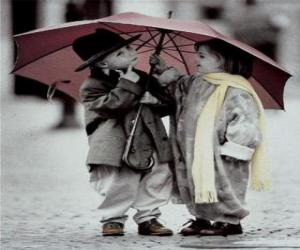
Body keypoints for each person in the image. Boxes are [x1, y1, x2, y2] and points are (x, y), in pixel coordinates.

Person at [150, 39, 271, 236]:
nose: (195, 59)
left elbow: (246, 120)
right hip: (193, 148)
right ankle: (201, 218)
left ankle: (230, 221)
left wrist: (235, 147)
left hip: (223, 152)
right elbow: (177, 88)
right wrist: (163, 69)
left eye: (202, 56)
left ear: (222, 60)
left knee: (224, 185)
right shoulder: (197, 81)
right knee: (194, 182)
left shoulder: (236, 89)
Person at [72, 29, 174, 236]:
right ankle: (113, 218)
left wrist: (156, 100)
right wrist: (129, 83)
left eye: (128, 47)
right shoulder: (92, 86)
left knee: (156, 177)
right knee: (119, 182)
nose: (130, 52)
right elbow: (111, 106)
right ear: (102, 64)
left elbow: (169, 105)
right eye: (120, 53)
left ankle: (149, 217)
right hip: (115, 143)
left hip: (149, 138)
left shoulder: (144, 78)